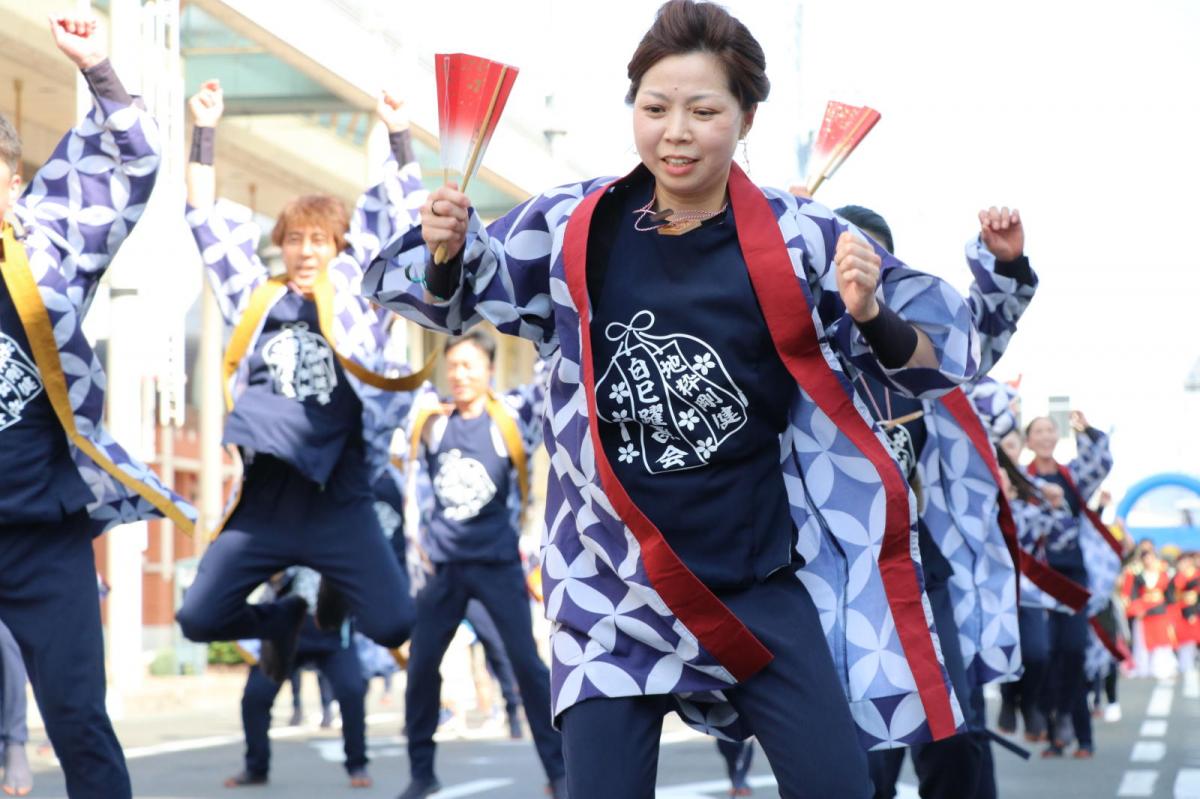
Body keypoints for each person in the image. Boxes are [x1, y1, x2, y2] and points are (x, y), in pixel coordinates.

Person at [365, 2, 982, 794]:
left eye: (703, 110)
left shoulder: (803, 238)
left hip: (754, 576)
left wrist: (871, 314)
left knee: (841, 787)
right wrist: (447, 250)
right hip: (609, 582)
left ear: (746, 116)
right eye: (655, 109)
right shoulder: (571, 224)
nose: (676, 131)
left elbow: (941, 362)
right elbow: (442, 301)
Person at [0, 16, 197, 799]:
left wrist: (98, 68)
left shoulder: (45, 242)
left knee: (79, 718)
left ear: (10, 182)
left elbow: (138, 158)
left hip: (43, 535)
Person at [174, 79, 429, 678]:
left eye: (319, 240)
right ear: (281, 247)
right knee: (198, 618)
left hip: (339, 496)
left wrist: (398, 134)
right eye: (294, 240)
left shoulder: (359, 297)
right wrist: (205, 129)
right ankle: (280, 618)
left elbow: (401, 217)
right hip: (268, 497)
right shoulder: (256, 300)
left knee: (394, 623)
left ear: (340, 247)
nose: (305, 251)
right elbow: (203, 219)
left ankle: (337, 593)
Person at [834, 205, 1037, 799]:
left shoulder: (925, 359)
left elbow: (981, 333)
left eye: (872, 258)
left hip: (924, 569)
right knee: (862, 749)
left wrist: (1005, 264)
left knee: (955, 730)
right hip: (837, 577)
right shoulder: (802, 357)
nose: (857, 272)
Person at [396, 332, 563, 799]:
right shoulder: (430, 421)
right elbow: (391, 386)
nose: (459, 375)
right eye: (453, 367)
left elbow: (548, 377)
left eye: (469, 366)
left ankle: (560, 770)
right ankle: (421, 773)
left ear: (489, 370)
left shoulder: (511, 417)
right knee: (422, 666)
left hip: (496, 563)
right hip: (443, 568)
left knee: (528, 667)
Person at [225, 568, 371, 789]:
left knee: (352, 691)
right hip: (285, 625)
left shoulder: (338, 537)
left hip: (332, 630)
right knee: (256, 696)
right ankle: (256, 767)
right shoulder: (278, 536)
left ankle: (357, 764)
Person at [1025, 411, 1117, 757]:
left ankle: (1077, 729)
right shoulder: (1022, 478)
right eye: (1039, 431)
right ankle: (1055, 734)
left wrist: (1087, 429)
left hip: (1074, 576)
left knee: (1075, 650)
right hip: (1038, 579)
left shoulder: (1072, 475)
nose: (1046, 436)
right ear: (1029, 440)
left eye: (1051, 430)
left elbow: (1103, 461)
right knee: (1046, 654)